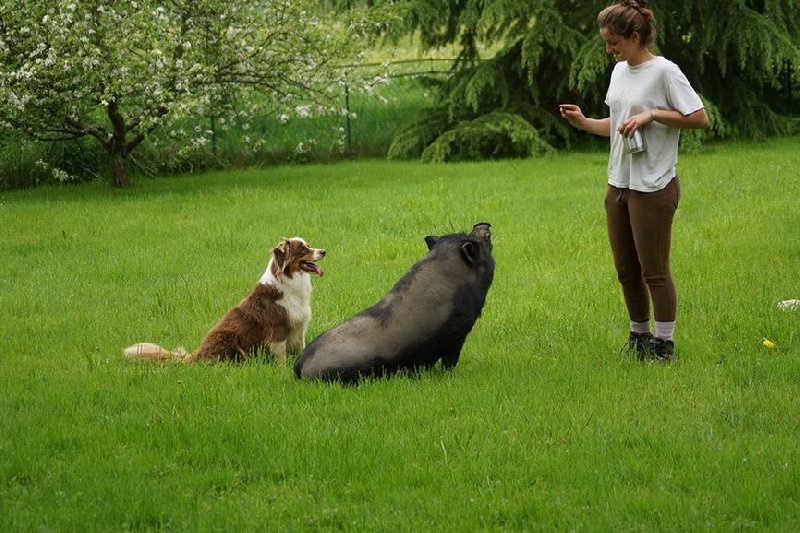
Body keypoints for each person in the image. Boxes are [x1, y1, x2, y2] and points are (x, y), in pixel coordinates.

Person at [559, 0, 708, 362]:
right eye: (607, 43)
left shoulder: (664, 72)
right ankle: (639, 338)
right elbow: (617, 124)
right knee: (626, 270)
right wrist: (584, 123)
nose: (609, 50)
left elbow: (699, 118)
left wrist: (652, 115)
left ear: (635, 36)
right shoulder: (620, 71)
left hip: (653, 186)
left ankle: (664, 344)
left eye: (614, 43)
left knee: (653, 270)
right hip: (619, 186)